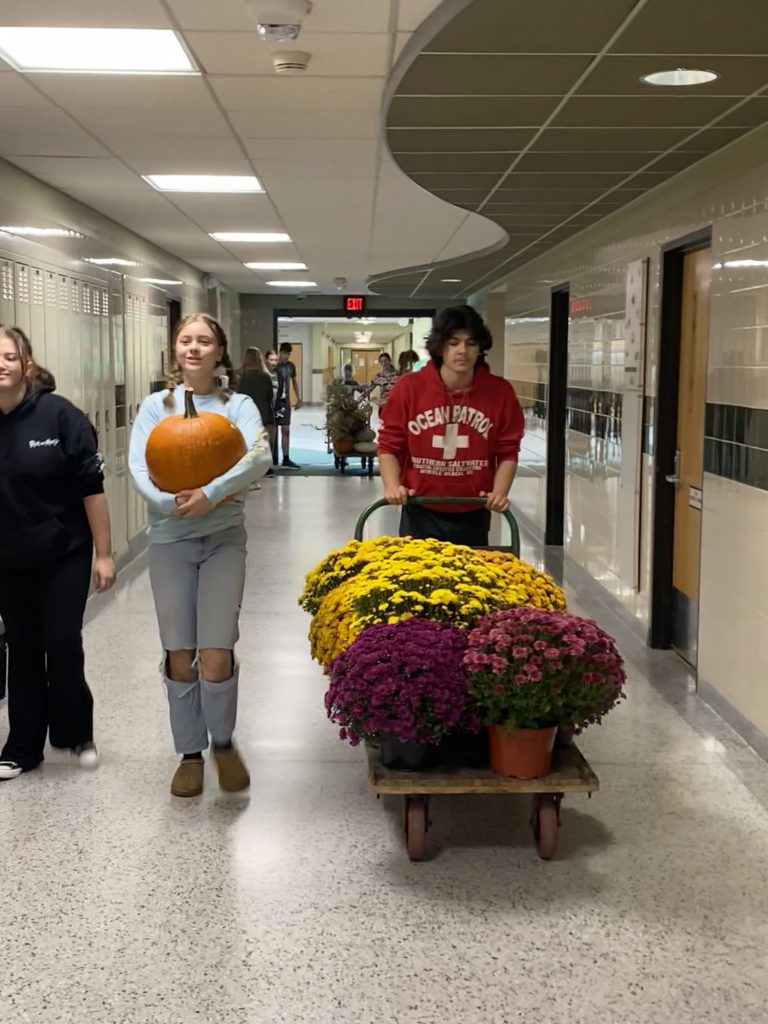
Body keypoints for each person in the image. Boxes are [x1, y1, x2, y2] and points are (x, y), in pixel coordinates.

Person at [129, 314, 271, 798]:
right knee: (179, 650)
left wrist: (211, 494)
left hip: (223, 539)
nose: (194, 347)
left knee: (215, 651)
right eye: (186, 340)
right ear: (176, 349)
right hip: (170, 541)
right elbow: (138, 466)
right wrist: (172, 504)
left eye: (204, 341)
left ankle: (224, 744)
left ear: (219, 351)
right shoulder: (155, 407)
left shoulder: (240, 405)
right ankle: (189, 753)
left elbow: (259, 456)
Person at [0, 326, 115, 781]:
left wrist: (104, 554)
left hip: (63, 550)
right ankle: (22, 747)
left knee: (62, 641)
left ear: (27, 364)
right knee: (22, 648)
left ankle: (74, 733)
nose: (1, 364)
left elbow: (92, 489)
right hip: (8, 556)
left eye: (9, 356)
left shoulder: (60, 416)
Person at [377, 304, 525, 547]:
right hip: (420, 509)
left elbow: (508, 450)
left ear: (480, 348)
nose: (462, 351)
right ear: (440, 347)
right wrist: (393, 487)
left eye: (471, 343)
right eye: (453, 342)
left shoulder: (500, 392)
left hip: (474, 510)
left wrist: (499, 493)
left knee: (469, 582)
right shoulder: (409, 388)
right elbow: (389, 445)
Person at [237, 347, 275, 479]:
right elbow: (270, 397)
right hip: (263, 413)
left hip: (243, 414)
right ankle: (266, 468)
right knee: (263, 441)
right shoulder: (265, 377)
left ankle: (246, 467)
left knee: (245, 442)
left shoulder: (239, 376)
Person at [274, 342, 302, 470]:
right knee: (271, 431)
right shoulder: (274, 365)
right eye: (284, 353)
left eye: (288, 354)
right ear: (280, 352)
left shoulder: (291, 366)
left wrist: (299, 398)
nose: (286, 356)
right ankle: (268, 460)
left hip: (285, 403)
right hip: (274, 402)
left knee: (285, 430)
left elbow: (294, 382)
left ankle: (286, 458)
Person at [361, 352, 398, 422]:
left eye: (386, 360)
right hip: (384, 407)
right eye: (381, 361)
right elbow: (369, 389)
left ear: (390, 361)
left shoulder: (398, 375)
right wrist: (358, 399)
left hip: (396, 407)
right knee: (386, 428)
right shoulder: (378, 376)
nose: (384, 363)